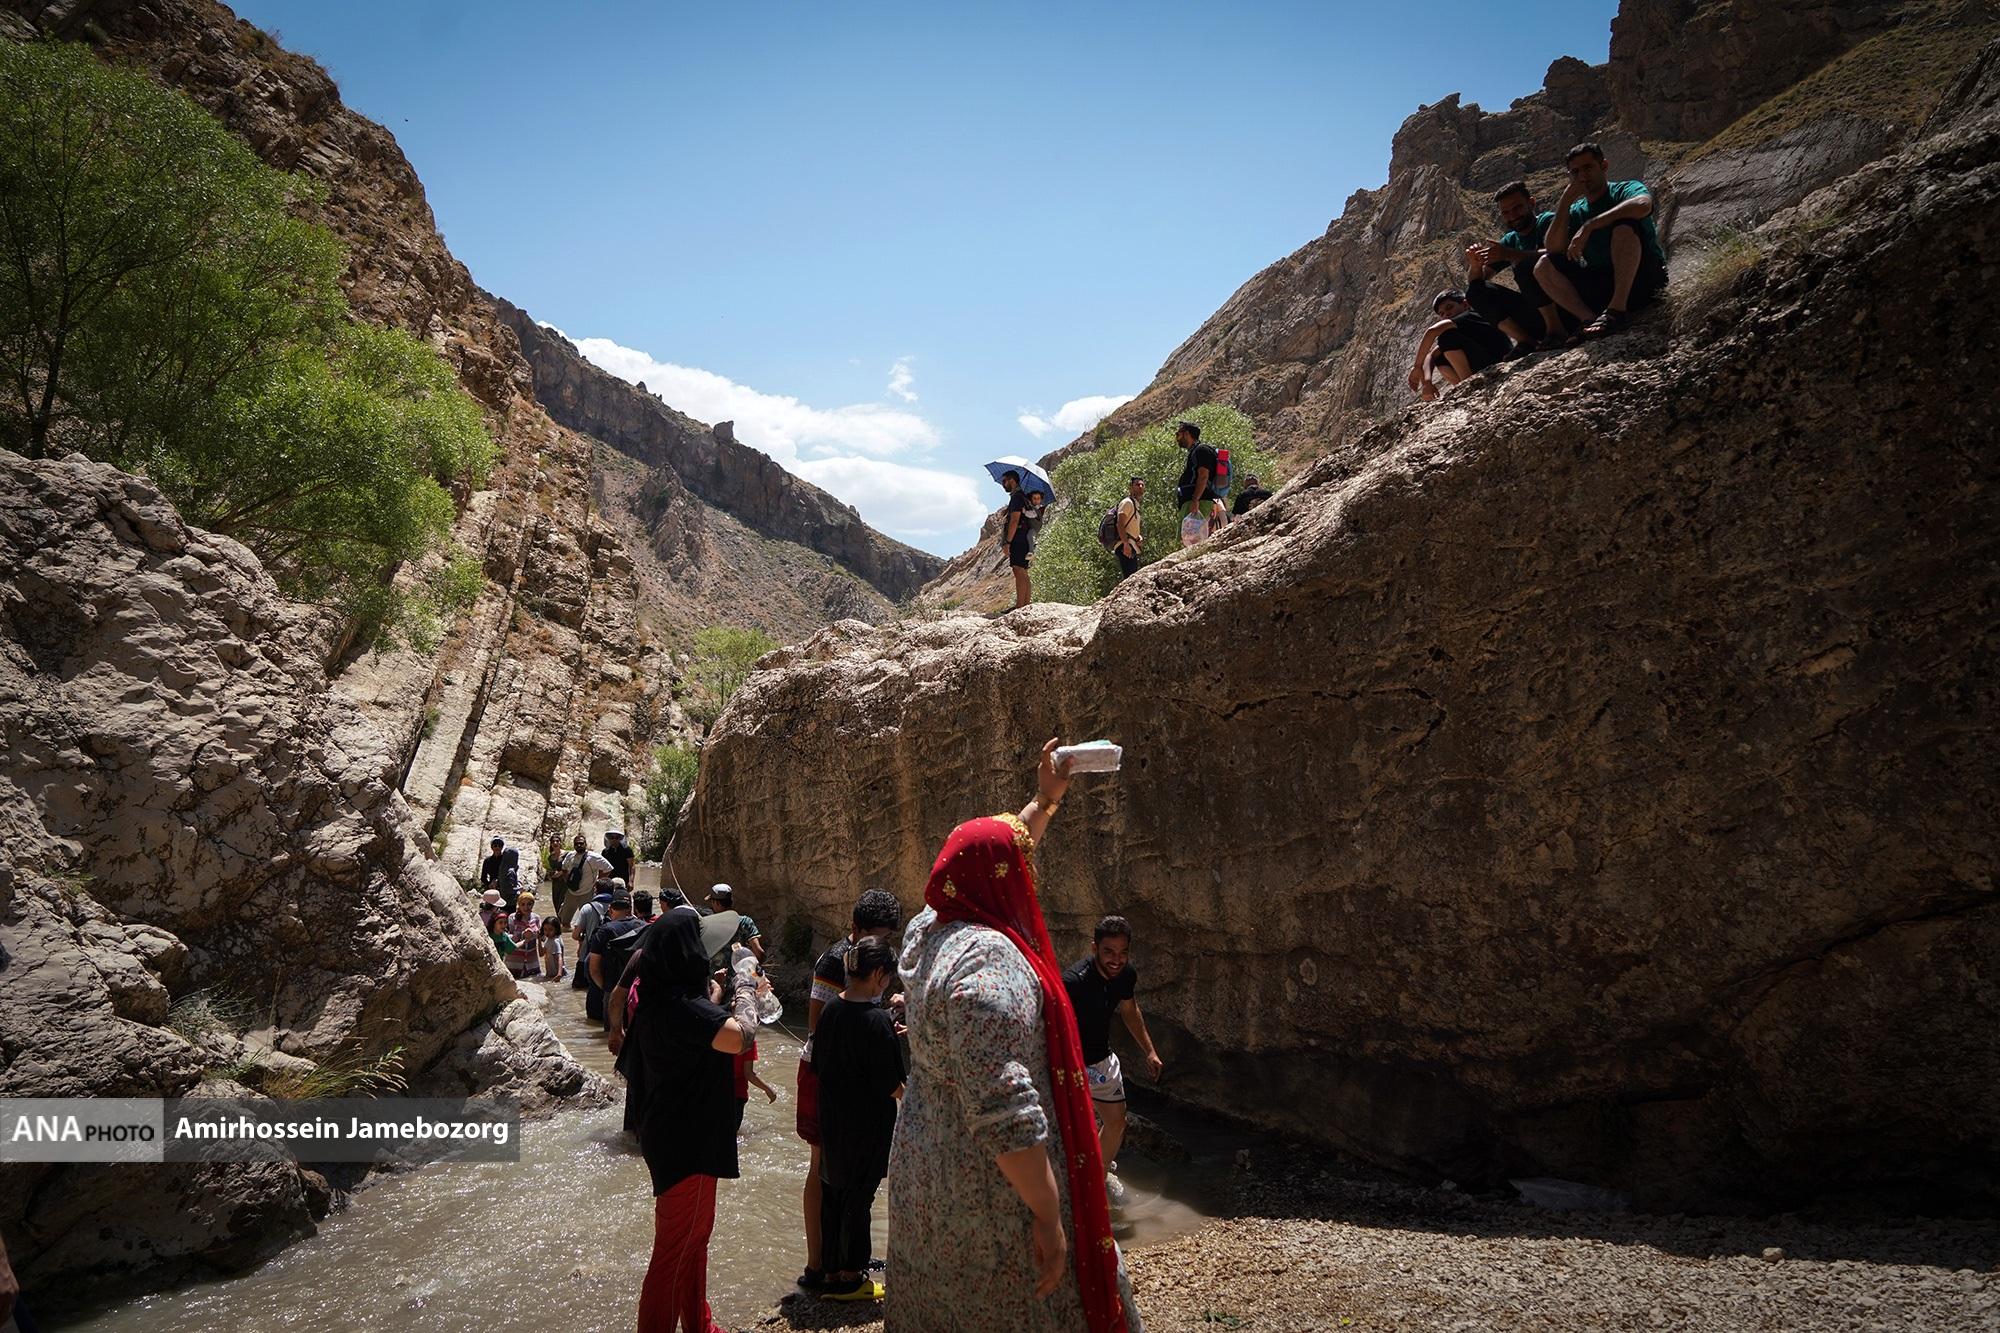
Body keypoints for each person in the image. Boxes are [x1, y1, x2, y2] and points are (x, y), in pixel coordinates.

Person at [887, 739, 1141, 1333]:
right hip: (988, 1191)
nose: (1030, 875)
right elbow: (1001, 1105)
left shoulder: (930, 926)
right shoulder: (988, 959)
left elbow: (991, 855)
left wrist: (1044, 801)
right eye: (1022, 867)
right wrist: (1047, 1214)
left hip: (926, 1168)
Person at [627, 909, 761, 1333]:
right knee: (674, 1253)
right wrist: (746, 986)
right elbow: (740, 1038)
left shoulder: (659, 1000)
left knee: (692, 1244)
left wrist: (718, 998)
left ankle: (700, 1326)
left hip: (672, 1134)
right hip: (689, 1142)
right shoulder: (683, 1008)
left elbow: (699, 1028)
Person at [796, 887, 904, 1294]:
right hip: (850, 1103)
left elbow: (829, 1032)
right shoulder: (836, 964)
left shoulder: (847, 1004)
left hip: (838, 1094)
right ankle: (836, 1269)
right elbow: (891, 1083)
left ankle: (832, 1264)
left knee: (835, 1182)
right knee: (842, 1185)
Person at [1061, 917, 1164, 1187]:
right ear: (1094, 948)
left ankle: (1097, 1180)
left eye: (1123, 952)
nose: (1116, 960)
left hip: (1101, 1061)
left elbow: (1129, 1010)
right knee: (1067, 1133)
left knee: (1117, 1123)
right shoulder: (1073, 982)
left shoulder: (1125, 974)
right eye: (1109, 952)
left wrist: (1150, 1051)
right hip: (1069, 1064)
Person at [1534, 142, 1669, 342]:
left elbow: (1643, 205)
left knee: (1623, 226)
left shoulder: (1625, 189)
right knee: (1543, 265)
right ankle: (1588, 320)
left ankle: (1617, 311)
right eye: (1575, 172)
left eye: (1588, 167)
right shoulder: (1577, 210)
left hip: (1644, 278)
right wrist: (1565, 202)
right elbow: (1554, 248)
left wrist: (1591, 225)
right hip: (1604, 282)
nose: (1582, 176)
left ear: (1603, 166)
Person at [1466, 180, 1563, 350]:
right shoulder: (1510, 240)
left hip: (1567, 300)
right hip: (1538, 310)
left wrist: (1511, 254)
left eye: (1517, 208)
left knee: (1524, 266)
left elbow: (1558, 252)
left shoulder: (1548, 222)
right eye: (1506, 212)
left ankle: (1556, 331)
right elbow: (1481, 278)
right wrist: (1475, 266)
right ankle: (1526, 342)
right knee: (1475, 291)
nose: (1512, 216)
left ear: (1531, 203)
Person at [1408, 289, 1514, 401]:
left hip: (1499, 362)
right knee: (1440, 356)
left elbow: (1432, 331)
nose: (1446, 314)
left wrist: (1417, 366)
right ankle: (1464, 386)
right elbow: (1431, 356)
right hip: (1485, 364)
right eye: (1441, 314)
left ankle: (1467, 385)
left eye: (1449, 307)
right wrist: (1426, 383)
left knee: (1446, 338)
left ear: (1465, 304)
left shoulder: (1472, 316)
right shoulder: (1460, 330)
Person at [588, 892, 643, 1024]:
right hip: (638, 991)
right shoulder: (644, 926)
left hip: (612, 990)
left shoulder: (603, 931)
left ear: (610, 909)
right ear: (630, 909)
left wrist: (606, 988)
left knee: (612, 1033)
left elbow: (594, 968)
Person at [570, 879, 616, 992]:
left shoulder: (587, 908)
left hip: (587, 956)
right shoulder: (618, 908)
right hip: (612, 958)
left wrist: (582, 939)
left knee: (579, 991)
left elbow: (575, 935)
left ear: (596, 891)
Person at [999, 470, 1034, 611]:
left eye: (1004, 481)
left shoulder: (1017, 498)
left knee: (1018, 569)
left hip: (1018, 538)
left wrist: (1008, 542)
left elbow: (1014, 521)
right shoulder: (1023, 496)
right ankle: (1025, 604)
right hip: (1026, 538)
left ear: (1012, 480)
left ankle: (1020, 606)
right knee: (1023, 570)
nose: (1003, 484)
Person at [557, 834, 612, 923]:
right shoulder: (570, 855)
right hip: (571, 892)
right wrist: (567, 881)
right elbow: (564, 868)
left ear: (586, 844)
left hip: (587, 892)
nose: (579, 845)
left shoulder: (593, 857)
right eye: (576, 844)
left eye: (581, 843)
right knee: (564, 920)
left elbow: (608, 868)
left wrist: (598, 881)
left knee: (586, 920)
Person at [1173, 421, 1215, 523]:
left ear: (1186, 434)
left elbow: (1203, 475)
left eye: (1178, 434)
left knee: (1192, 533)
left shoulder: (1201, 450)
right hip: (1194, 503)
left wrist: (1195, 499)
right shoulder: (1195, 451)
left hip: (1198, 503)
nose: (1177, 439)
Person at [705, 884, 762, 961]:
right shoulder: (745, 922)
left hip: (717, 968)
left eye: (712, 902)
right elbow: (759, 953)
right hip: (741, 968)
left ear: (717, 903)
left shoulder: (710, 924)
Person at [504, 892, 542, 980]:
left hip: (532, 961)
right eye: (523, 904)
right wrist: (522, 935)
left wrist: (534, 934)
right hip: (514, 961)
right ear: (519, 905)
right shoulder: (512, 917)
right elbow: (507, 936)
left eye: (529, 904)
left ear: (533, 904)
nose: (526, 907)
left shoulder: (536, 918)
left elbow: (542, 936)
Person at [1113, 476, 1144, 579]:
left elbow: (1130, 527)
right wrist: (1126, 543)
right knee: (1130, 578)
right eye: (1137, 484)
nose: (1140, 486)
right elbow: (1119, 523)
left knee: (1132, 577)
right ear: (1130, 487)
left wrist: (1138, 537)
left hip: (1131, 545)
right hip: (1125, 545)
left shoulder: (1135, 505)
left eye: (1142, 485)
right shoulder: (1127, 502)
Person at [540, 916, 566, 982]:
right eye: (545, 929)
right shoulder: (548, 939)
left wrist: (559, 974)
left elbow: (559, 957)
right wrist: (539, 940)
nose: (547, 932)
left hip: (557, 975)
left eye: (550, 929)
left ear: (556, 930)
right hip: (551, 974)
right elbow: (541, 954)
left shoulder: (555, 941)